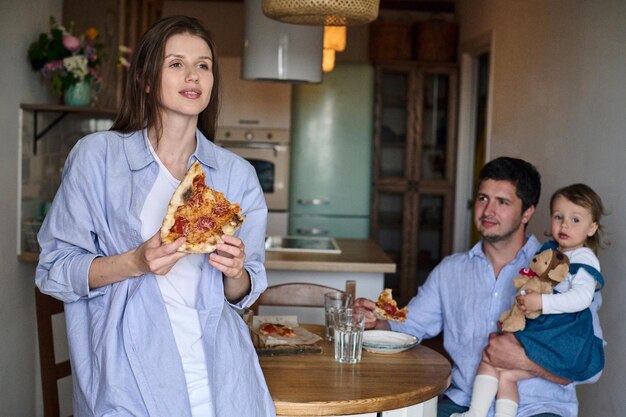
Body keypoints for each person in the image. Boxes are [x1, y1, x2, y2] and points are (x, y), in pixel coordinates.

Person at [35, 15, 275, 417]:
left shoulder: (236, 174)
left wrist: (236, 273)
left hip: (220, 374)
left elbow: (245, 292)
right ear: (146, 79)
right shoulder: (98, 157)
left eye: (203, 65)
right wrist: (134, 262)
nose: (193, 75)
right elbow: (54, 269)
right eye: (176, 63)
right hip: (127, 375)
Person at [353, 157, 605, 417]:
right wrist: (376, 323)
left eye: (502, 202)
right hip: (465, 403)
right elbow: (409, 327)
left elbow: (592, 369)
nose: (488, 211)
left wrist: (525, 361)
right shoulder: (450, 271)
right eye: (483, 198)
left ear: (527, 212)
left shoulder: (559, 271)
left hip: (539, 409)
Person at [451, 183, 606, 417]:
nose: (564, 224)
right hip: (545, 329)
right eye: (558, 216)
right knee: (504, 372)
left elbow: (582, 298)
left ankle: (475, 413)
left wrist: (542, 303)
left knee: (493, 360)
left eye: (575, 220)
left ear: (592, 228)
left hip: (560, 334)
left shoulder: (584, 257)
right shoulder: (551, 251)